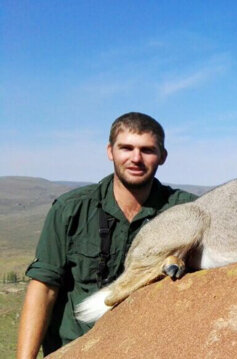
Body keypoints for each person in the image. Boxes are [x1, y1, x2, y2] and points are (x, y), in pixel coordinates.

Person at [16, 112, 198, 358]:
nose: (136, 158)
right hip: (73, 349)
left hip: (145, 348)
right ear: (110, 151)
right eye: (126, 148)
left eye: (147, 150)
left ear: (162, 157)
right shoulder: (71, 209)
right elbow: (44, 288)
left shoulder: (187, 212)